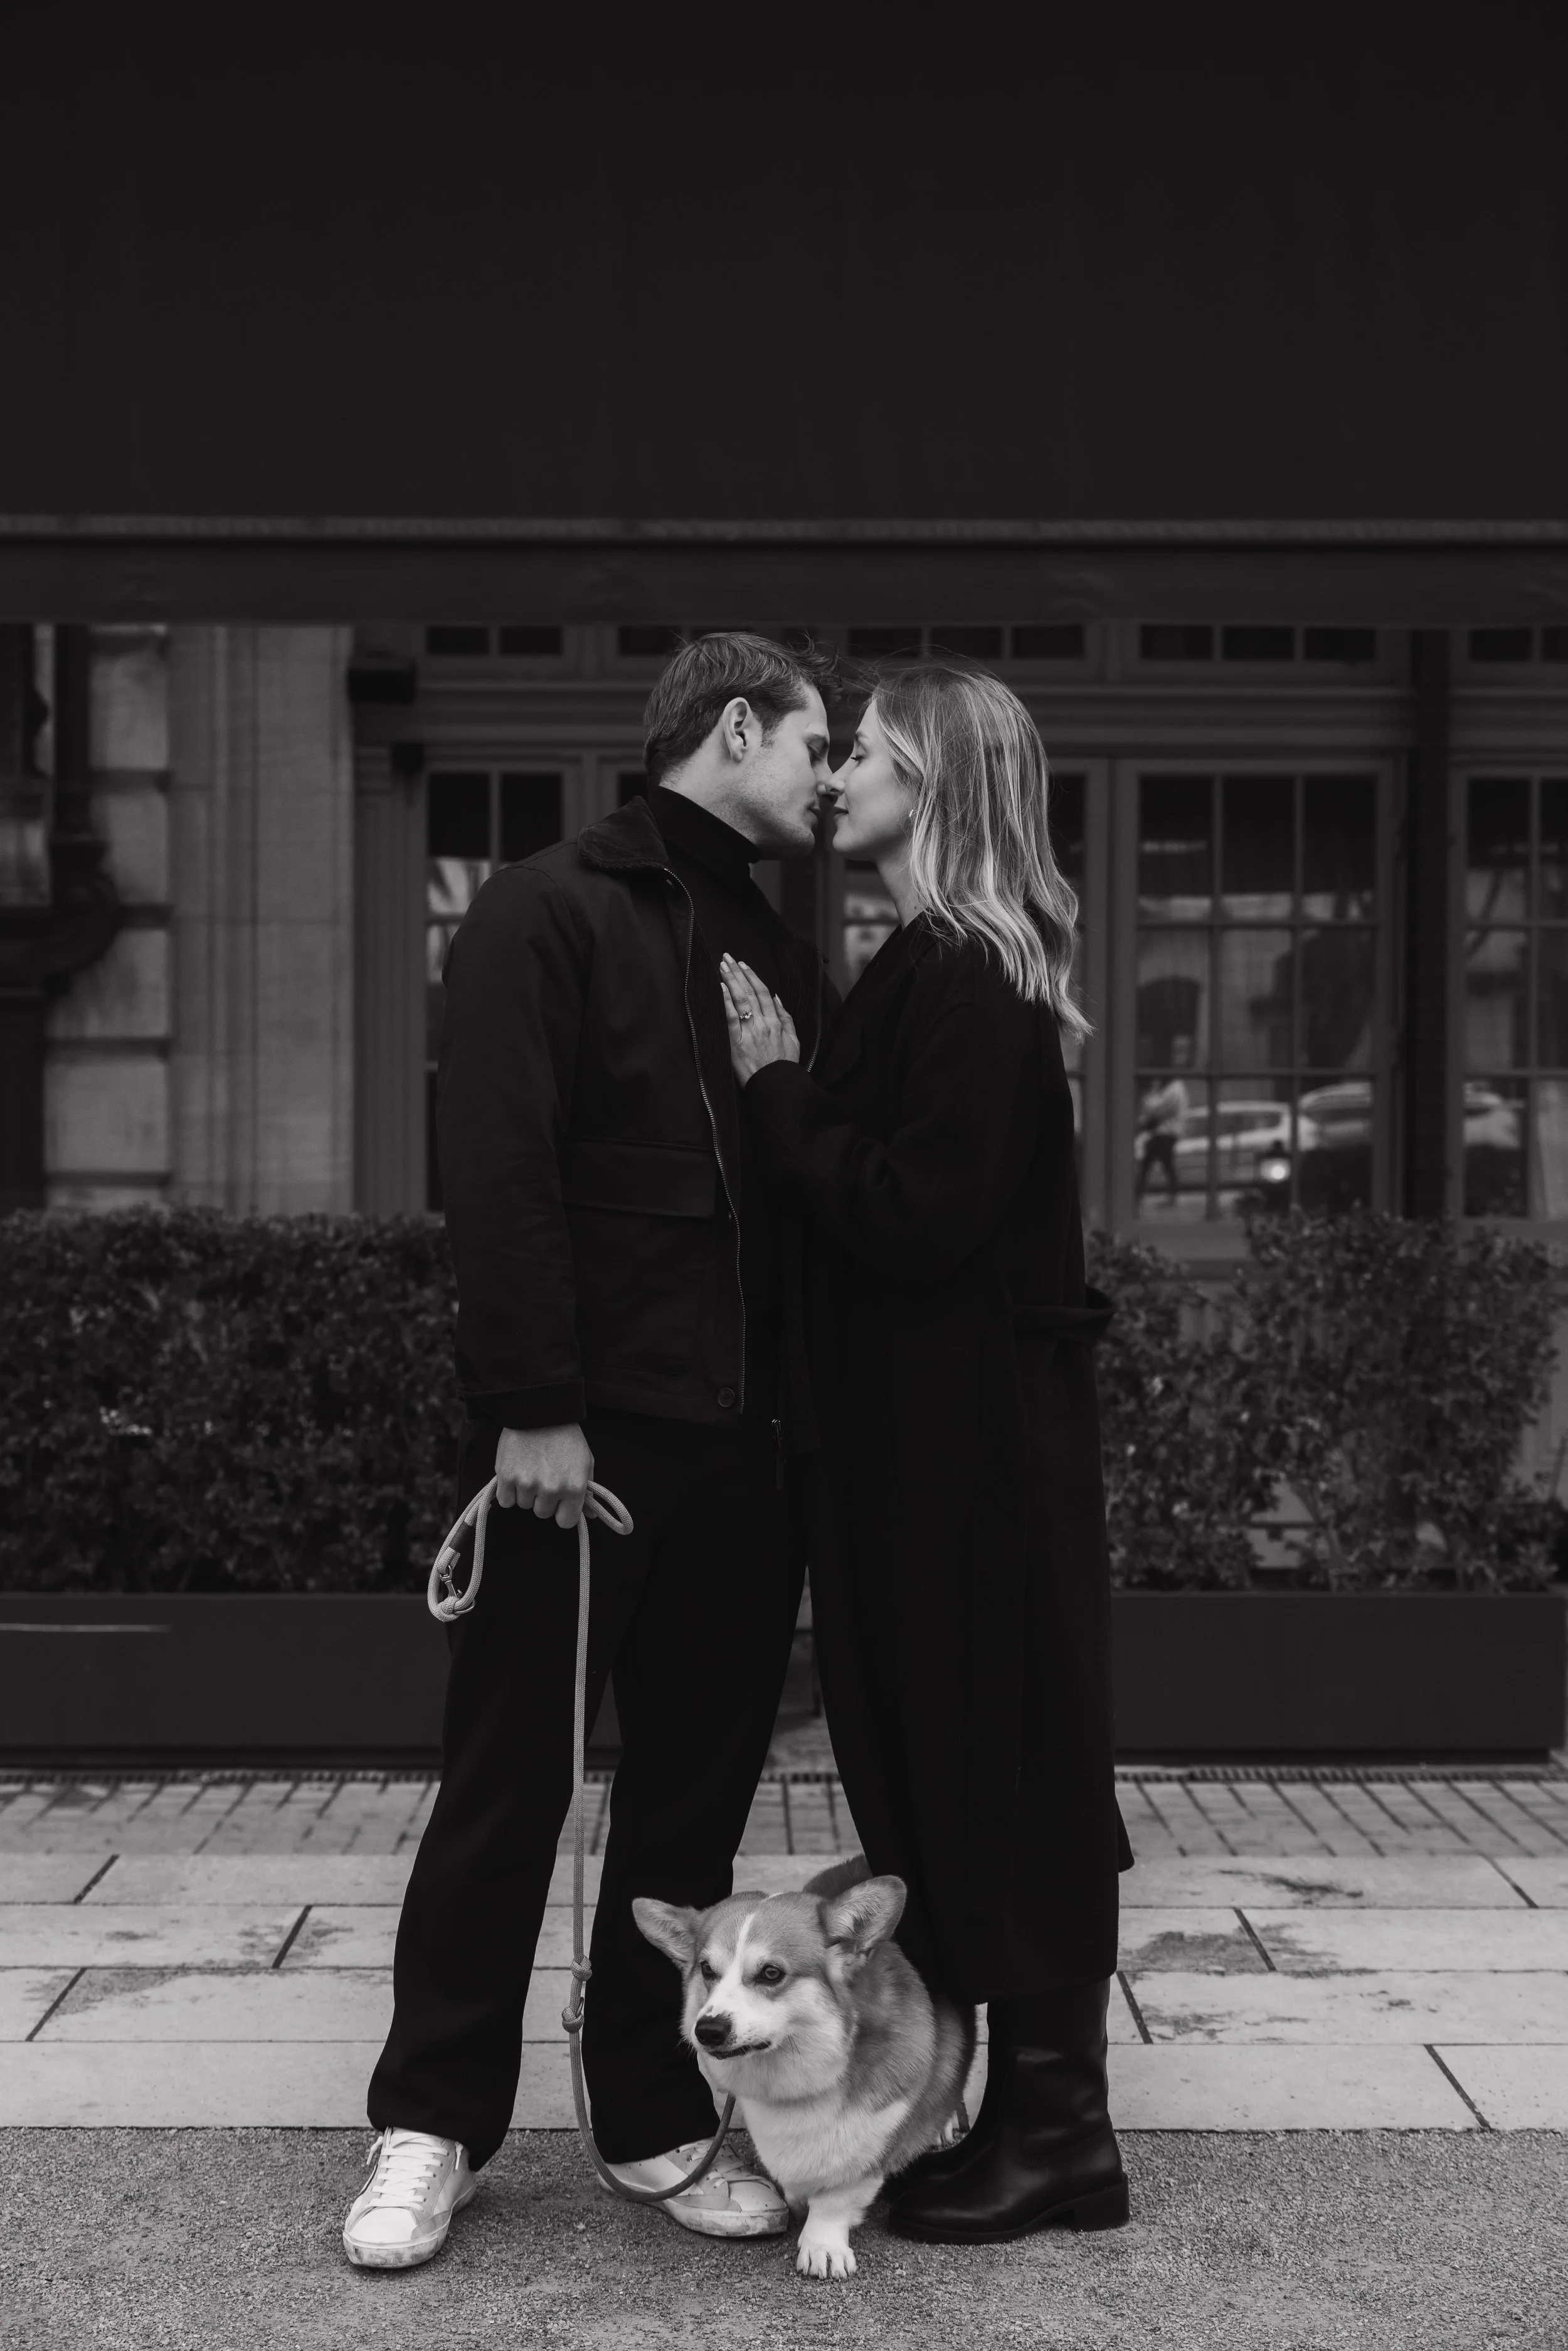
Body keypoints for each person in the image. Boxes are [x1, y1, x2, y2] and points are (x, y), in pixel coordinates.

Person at [344, 634, 836, 2269]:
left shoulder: (781, 937)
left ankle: (647, 2112)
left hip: (747, 1455)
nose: (828, 778)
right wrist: (534, 1403)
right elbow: (498, 1167)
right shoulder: (545, 906)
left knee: (690, 1809)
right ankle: (430, 2121)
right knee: (506, 1789)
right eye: (812, 743)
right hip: (585, 1446)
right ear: (736, 727)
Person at [720, 662, 1132, 2246]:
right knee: (960, 1763)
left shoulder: (966, 968)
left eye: (868, 754)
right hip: (934, 1451)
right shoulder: (935, 960)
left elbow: (918, 1211)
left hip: (967, 1466)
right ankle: (1025, 2117)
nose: (834, 777)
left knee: (1003, 1767)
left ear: (937, 785)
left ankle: (1061, 2135)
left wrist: (776, 1091)